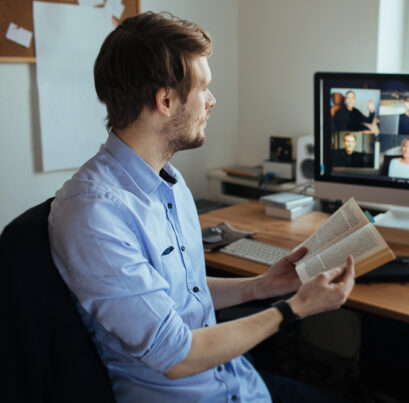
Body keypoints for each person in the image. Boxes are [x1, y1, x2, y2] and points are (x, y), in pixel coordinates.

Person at [48, 12, 355, 402]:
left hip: (237, 383)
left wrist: (260, 287)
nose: (212, 101)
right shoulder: (94, 215)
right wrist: (292, 309)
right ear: (166, 100)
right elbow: (174, 354)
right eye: (204, 88)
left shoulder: (169, 183)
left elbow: (177, 294)